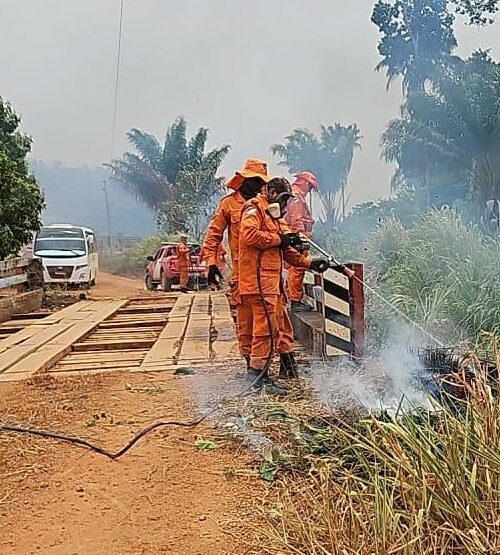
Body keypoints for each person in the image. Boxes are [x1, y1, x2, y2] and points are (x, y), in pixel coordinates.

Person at [238, 177, 329, 395]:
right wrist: (280, 239)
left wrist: (310, 263)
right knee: (265, 331)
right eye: (282, 197)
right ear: (269, 191)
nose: (284, 203)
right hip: (257, 283)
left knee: (272, 329)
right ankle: (258, 378)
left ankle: (261, 375)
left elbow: (287, 251)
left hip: (270, 285)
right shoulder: (254, 208)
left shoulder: (275, 216)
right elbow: (250, 235)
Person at [285, 171, 319, 312]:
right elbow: (296, 219)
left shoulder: (294, 195)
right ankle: (295, 300)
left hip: (296, 236)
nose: (310, 190)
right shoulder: (297, 197)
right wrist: (300, 238)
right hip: (298, 237)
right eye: (310, 187)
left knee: (294, 268)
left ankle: (292, 297)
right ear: (304, 182)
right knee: (298, 267)